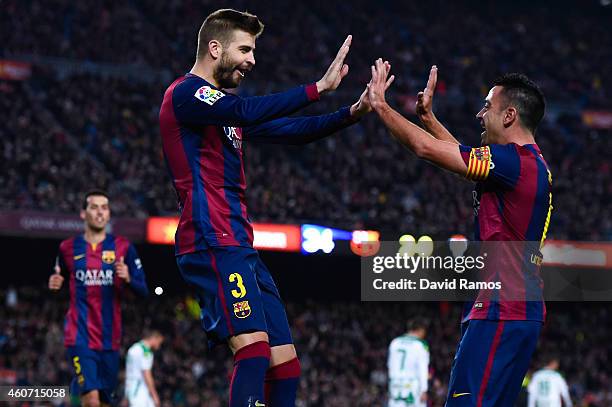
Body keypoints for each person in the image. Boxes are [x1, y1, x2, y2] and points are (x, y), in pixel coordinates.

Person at [159, 8, 391, 407]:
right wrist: (317, 88)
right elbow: (246, 110)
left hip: (240, 244)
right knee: (252, 351)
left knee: (286, 365)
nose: (253, 60)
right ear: (215, 48)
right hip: (211, 239)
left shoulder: (221, 110)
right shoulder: (185, 94)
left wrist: (352, 113)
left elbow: (293, 131)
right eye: (245, 49)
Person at [368, 60, 552, 406]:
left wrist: (381, 105)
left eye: (487, 107)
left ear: (509, 115)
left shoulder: (512, 163)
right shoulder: (528, 165)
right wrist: (428, 119)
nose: (480, 115)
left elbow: (426, 150)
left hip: (500, 307)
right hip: (518, 309)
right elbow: (463, 161)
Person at [49, 190, 149, 407]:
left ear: (109, 214)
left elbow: (144, 291)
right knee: (91, 400)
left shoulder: (124, 247)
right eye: (94, 207)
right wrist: (55, 283)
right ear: (83, 213)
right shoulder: (67, 248)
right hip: (79, 337)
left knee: (104, 402)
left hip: (110, 340)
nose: (99, 212)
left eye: (104, 207)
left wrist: (129, 278)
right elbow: (59, 276)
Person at [387, 319, 430, 407]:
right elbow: (423, 369)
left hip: (395, 384)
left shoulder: (394, 342)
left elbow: (389, 366)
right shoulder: (421, 345)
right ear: (421, 330)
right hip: (412, 386)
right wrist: (424, 389)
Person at [125, 329, 165, 407]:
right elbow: (147, 374)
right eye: (159, 342)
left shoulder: (134, 348)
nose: (159, 345)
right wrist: (154, 395)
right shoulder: (145, 351)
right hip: (139, 388)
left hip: (132, 387)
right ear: (154, 338)